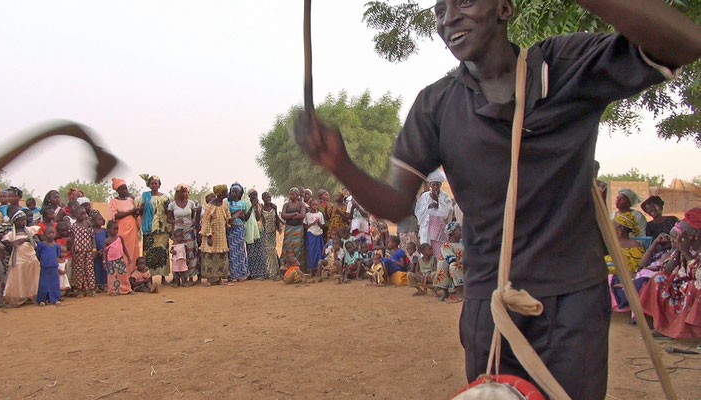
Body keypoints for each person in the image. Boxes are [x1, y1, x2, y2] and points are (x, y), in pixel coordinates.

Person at [295, 1, 701, 395]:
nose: (449, 17)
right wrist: (340, 165)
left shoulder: (560, 67)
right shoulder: (436, 105)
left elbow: (684, 43)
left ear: (504, 9)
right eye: (439, 10)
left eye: (465, 2)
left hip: (571, 304)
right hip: (488, 304)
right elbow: (399, 205)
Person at [640, 209, 701, 338]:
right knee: (659, 278)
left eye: (679, 236)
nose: (676, 240)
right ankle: (663, 326)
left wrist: (686, 253)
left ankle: (687, 331)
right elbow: (667, 270)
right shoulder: (686, 247)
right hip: (681, 287)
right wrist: (678, 251)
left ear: (696, 233)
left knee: (694, 286)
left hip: (694, 289)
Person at [2, 209, 40, 306]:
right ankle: (19, 297)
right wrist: (12, 244)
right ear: (15, 222)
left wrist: (25, 239)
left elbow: (36, 241)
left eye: (24, 220)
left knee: (32, 276)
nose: (23, 222)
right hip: (19, 258)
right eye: (21, 220)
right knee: (19, 276)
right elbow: (7, 246)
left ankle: (32, 295)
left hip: (31, 257)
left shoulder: (30, 230)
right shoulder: (10, 235)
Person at [415, 170, 453, 258]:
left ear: (441, 185)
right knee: (428, 250)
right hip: (428, 229)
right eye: (433, 184)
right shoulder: (424, 196)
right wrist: (428, 206)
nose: (435, 187)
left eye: (437, 184)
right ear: (430, 185)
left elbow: (447, 211)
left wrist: (438, 202)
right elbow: (418, 211)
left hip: (441, 230)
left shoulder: (445, 196)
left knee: (441, 253)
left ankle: (440, 269)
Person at [200, 185, 231, 286]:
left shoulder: (225, 205)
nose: (227, 193)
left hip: (221, 234)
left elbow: (227, 218)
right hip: (212, 234)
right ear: (221, 193)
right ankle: (212, 279)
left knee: (221, 255)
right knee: (211, 254)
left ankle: (219, 278)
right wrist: (209, 236)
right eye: (226, 191)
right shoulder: (210, 206)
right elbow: (206, 221)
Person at [109, 178, 141, 273]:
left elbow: (135, 213)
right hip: (121, 229)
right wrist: (131, 212)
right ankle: (122, 274)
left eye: (125, 188)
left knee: (133, 250)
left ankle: (132, 274)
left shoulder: (130, 200)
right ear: (117, 190)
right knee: (122, 250)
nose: (124, 191)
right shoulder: (113, 201)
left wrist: (137, 212)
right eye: (122, 189)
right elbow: (115, 216)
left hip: (132, 229)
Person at [167, 184, 198, 280]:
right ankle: (177, 277)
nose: (184, 193)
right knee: (178, 254)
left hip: (189, 231)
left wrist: (192, 223)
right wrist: (176, 221)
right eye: (182, 191)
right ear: (177, 193)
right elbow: (168, 219)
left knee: (190, 254)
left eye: (186, 191)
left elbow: (194, 216)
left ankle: (190, 277)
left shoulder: (191, 203)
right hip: (177, 232)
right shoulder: (172, 205)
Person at [432, 222, 465, 302]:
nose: (462, 232)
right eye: (459, 230)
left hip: (466, 263)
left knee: (453, 266)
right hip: (456, 264)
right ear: (452, 233)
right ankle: (446, 292)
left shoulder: (464, 242)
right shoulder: (446, 245)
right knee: (444, 263)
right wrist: (460, 261)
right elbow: (450, 259)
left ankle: (460, 292)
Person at [70, 207, 96, 297]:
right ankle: (80, 290)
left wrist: (94, 249)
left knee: (89, 270)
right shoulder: (73, 226)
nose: (84, 215)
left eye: (85, 213)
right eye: (81, 214)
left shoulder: (88, 224)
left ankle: (91, 289)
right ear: (76, 215)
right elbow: (72, 241)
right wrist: (73, 253)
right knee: (79, 271)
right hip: (78, 252)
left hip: (88, 251)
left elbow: (93, 237)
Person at [226, 183, 250, 281]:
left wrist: (237, 215)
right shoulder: (227, 203)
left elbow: (244, 217)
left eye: (237, 192)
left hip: (239, 228)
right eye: (233, 191)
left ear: (240, 193)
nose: (235, 193)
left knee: (240, 250)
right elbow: (227, 216)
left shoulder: (242, 204)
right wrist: (236, 214)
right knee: (231, 251)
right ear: (230, 192)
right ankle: (232, 274)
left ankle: (241, 273)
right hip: (230, 229)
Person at [103, 220, 133, 295]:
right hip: (111, 261)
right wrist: (104, 262)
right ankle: (112, 290)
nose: (116, 231)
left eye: (117, 229)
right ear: (108, 230)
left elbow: (124, 248)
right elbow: (104, 252)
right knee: (112, 277)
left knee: (123, 275)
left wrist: (128, 257)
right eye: (114, 229)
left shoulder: (120, 238)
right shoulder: (107, 241)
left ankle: (126, 289)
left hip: (120, 260)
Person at [193, 192, 216, 284]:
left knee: (212, 255)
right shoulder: (201, 208)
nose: (213, 198)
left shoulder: (217, 208)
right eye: (211, 196)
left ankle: (212, 276)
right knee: (201, 255)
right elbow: (196, 222)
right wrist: (199, 234)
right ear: (206, 199)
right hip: (203, 234)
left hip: (214, 234)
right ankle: (199, 276)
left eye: (214, 196)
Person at [281, 188, 307, 268]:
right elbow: (283, 215)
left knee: (297, 247)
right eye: (290, 194)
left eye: (293, 194)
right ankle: (285, 265)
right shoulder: (286, 204)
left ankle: (297, 266)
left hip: (298, 228)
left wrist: (289, 216)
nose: (291, 196)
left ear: (297, 195)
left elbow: (302, 215)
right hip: (289, 228)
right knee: (287, 246)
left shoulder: (301, 204)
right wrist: (294, 214)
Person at [35, 226, 62, 306]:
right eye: (49, 233)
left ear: (56, 234)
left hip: (54, 267)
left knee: (54, 284)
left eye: (53, 233)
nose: (51, 235)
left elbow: (58, 255)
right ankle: (42, 300)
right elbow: (38, 255)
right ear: (44, 235)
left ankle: (55, 299)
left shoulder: (56, 246)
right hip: (44, 267)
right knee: (43, 284)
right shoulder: (41, 245)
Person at [244, 189, 266, 279]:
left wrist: (256, 208)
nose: (255, 197)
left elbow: (257, 218)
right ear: (249, 196)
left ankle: (259, 273)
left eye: (256, 195)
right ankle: (251, 273)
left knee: (259, 252)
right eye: (253, 195)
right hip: (249, 231)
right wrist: (251, 206)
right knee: (250, 252)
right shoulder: (246, 203)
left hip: (258, 230)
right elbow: (246, 217)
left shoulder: (259, 205)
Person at [261, 191, 282, 280]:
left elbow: (276, 218)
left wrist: (279, 227)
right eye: (266, 198)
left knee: (273, 251)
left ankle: (274, 272)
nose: (268, 199)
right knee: (267, 252)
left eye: (269, 197)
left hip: (272, 233)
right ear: (263, 199)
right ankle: (270, 273)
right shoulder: (261, 209)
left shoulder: (274, 207)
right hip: (264, 233)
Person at [304, 199, 326, 273]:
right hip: (311, 233)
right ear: (310, 205)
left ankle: (319, 268)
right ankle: (311, 268)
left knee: (319, 250)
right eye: (313, 205)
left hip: (319, 234)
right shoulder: (307, 215)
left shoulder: (320, 214)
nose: (315, 206)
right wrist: (313, 223)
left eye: (316, 205)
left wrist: (318, 223)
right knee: (311, 250)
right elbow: (305, 226)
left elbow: (322, 226)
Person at [92, 211, 108, 292]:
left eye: (102, 220)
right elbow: (91, 242)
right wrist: (96, 251)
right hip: (96, 253)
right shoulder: (92, 231)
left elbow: (108, 240)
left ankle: (105, 284)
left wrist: (105, 250)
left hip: (104, 253)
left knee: (104, 268)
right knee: (97, 268)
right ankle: (97, 285)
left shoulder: (105, 231)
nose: (101, 221)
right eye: (99, 220)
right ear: (94, 221)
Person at [55, 222, 72, 294]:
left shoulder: (68, 239)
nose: (65, 232)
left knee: (68, 274)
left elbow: (69, 248)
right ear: (58, 232)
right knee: (61, 275)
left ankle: (68, 289)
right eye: (62, 231)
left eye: (66, 230)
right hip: (60, 260)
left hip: (68, 258)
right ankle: (62, 290)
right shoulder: (56, 240)